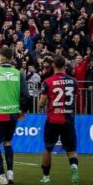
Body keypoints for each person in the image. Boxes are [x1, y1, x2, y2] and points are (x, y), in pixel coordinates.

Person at [0, 46, 31, 185]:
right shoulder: (17, 73)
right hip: (13, 113)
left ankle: (2, 177)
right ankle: (10, 173)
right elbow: (26, 96)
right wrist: (23, 111)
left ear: (1, 57)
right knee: (8, 142)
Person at [37, 55, 79, 185]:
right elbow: (74, 98)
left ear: (53, 66)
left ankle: (46, 176)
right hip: (68, 119)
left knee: (48, 148)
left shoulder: (48, 82)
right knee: (71, 150)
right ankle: (74, 168)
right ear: (65, 66)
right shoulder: (73, 81)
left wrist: (41, 105)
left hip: (53, 120)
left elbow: (42, 102)